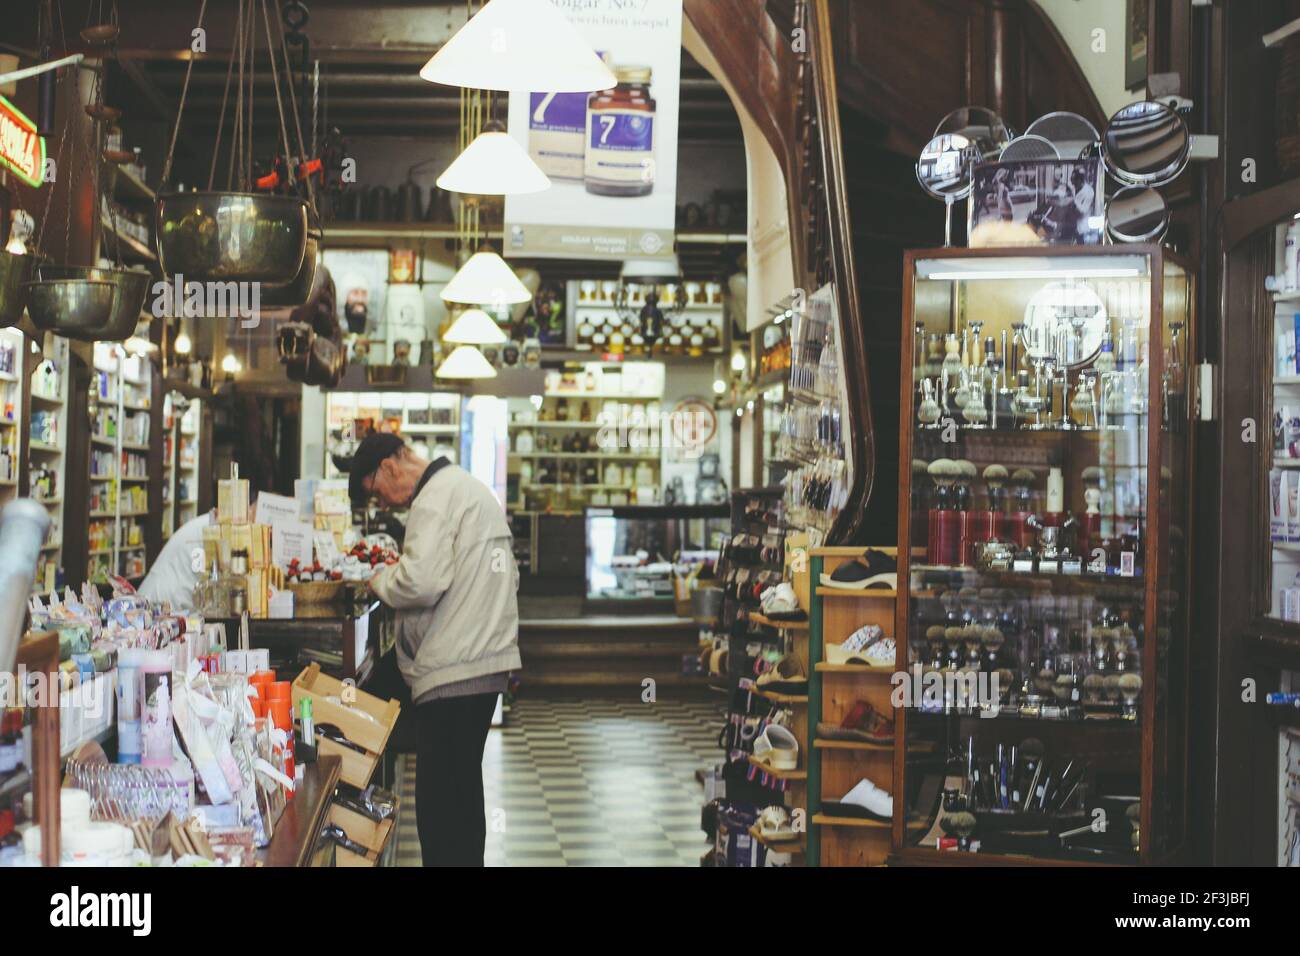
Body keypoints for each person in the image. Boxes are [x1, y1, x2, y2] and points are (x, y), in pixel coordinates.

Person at [348, 433, 520, 867]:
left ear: (389, 466)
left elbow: (421, 582)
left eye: (376, 493)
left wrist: (378, 581)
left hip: (457, 668)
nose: (382, 505)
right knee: (461, 793)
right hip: (479, 661)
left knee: (440, 804)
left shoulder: (434, 498)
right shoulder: (462, 487)